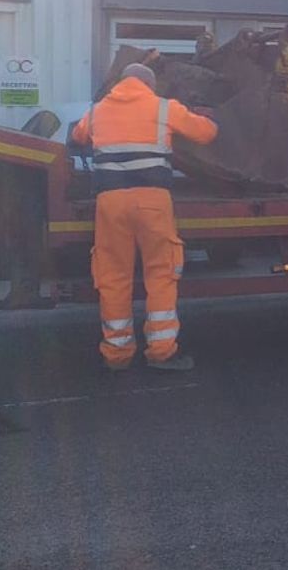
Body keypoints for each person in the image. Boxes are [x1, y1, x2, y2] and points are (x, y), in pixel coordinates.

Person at [71, 62, 218, 372]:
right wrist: (208, 118)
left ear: (121, 82)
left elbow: (78, 135)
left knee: (113, 277)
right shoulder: (163, 107)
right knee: (161, 274)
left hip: (110, 202)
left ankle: (117, 354)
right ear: (149, 84)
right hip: (153, 201)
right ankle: (162, 352)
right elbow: (205, 134)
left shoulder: (98, 111)